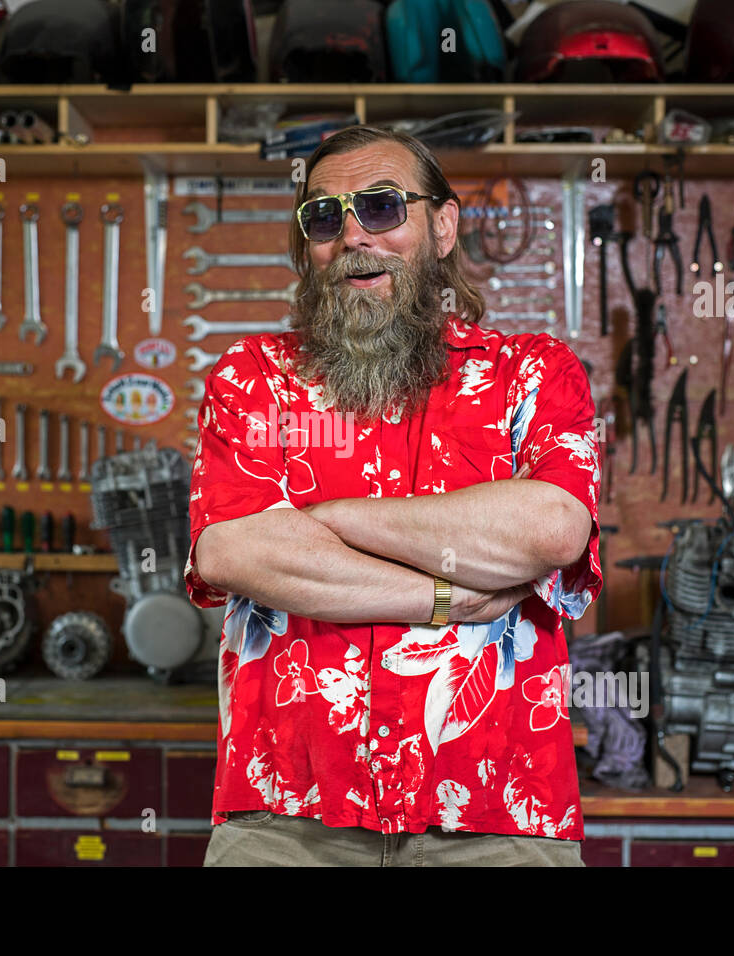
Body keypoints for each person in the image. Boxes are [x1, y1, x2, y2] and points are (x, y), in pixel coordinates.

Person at [184, 125, 601, 866]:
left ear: (442, 226)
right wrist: (449, 596)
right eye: (323, 217)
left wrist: (330, 521)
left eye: (380, 208)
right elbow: (232, 549)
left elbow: (550, 530)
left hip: (497, 814)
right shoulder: (253, 377)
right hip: (284, 816)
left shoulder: (533, 374)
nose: (351, 236)